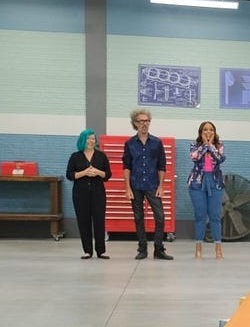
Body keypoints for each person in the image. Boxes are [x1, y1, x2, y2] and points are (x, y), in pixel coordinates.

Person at [122, 108, 172, 260]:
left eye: (147, 121)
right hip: (135, 185)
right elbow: (126, 167)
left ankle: (158, 249)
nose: (144, 124)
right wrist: (127, 188)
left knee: (160, 216)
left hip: (152, 185)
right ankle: (142, 248)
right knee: (138, 218)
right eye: (141, 121)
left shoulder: (157, 143)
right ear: (135, 124)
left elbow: (162, 166)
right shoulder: (130, 144)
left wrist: (161, 186)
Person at [65, 129, 112, 259]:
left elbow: (108, 174)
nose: (91, 141)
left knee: (99, 221)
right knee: (83, 221)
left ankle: (101, 251)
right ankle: (87, 251)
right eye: (88, 139)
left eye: (93, 138)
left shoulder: (101, 156)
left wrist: (97, 172)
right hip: (80, 194)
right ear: (83, 140)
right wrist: (84, 173)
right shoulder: (75, 156)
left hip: (98, 193)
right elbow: (69, 175)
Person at [187, 121, 226, 260]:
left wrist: (210, 146)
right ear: (200, 132)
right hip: (197, 183)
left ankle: (218, 248)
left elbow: (221, 159)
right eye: (205, 130)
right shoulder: (194, 146)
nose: (208, 132)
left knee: (215, 216)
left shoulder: (219, 146)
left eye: (211, 130)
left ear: (214, 132)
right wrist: (204, 145)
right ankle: (198, 247)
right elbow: (194, 158)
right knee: (200, 215)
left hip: (215, 183)